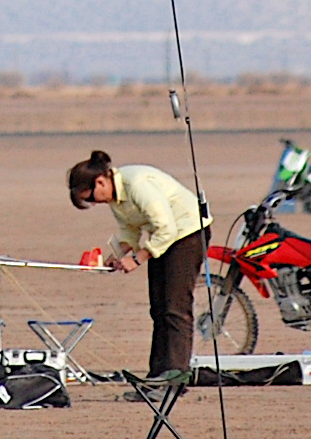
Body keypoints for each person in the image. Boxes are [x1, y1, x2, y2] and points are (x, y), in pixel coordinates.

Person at [68, 150, 210, 378]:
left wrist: (137, 259)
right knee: (159, 309)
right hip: (163, 239)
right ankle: (157, 375)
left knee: (175, 307)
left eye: (92, 197)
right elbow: (129, 229)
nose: (94, 203)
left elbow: (167, 228)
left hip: (187, 234)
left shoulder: (137, 185)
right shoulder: (116, 196)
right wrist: (119, 255)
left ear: (101, 181)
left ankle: (175, 376)